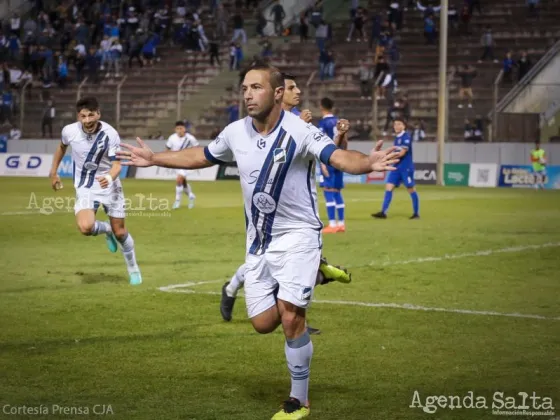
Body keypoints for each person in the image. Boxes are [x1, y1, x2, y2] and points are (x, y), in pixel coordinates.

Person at [117, 60, 398, 419]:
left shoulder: (300, 131)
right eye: (245, 88)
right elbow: (201, 156)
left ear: (278, 93)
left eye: (257, 87)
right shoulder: (236, 132)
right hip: (259, 241)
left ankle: (299, 400)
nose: (248, 95)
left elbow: (339, 156)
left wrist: (367, 163)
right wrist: (155, 157)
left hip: (298, 236)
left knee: (292, 316)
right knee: (264, 323)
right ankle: (318, 273)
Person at [49, 97, 142, 285]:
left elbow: (117, 165)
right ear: (78, 116)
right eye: (83, 116)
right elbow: (61, 147)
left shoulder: (111, 134)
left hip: (110, 183)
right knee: (85, 228)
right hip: (85, 186)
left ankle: (133, 268)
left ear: (98, 114)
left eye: (91, 115)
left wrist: (108, 178)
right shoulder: (69, 131)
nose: (87, 120)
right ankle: (106, 229)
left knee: (121, 233)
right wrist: (53, 172)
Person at [372, 117, 420, 219]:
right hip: (396, 167)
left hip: (406, 168)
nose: (396, 126)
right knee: (388, 187)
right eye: (395, 124)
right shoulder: (397, 138)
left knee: (411, 189)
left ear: (404, 126)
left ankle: (416, 214)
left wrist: (386, 157)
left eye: (399, 124)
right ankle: (383, 212)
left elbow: (402, 153)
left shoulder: (406, 137)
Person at [318, 97, 347, 233]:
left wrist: (323, 162)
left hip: (329, 159)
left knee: (328, 191)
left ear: (321, 107)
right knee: (337, 191)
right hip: (340, 158)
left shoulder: (323, 123)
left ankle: (332, 225)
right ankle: (341, 224)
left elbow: (321, 143)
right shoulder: (338, 121)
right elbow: (344, 140)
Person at [166, 121, 199, 209]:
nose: (179, 130)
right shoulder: (172, 138)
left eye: (181, 128)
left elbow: (197, 149)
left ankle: (177, 201)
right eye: (177, 129)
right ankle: (191, 196)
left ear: (184, 129)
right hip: (176, 163)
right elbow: (168, 149)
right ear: (175, 129)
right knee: (183, 183)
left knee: (179, 179)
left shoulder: (190, 138)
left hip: (187, 163)